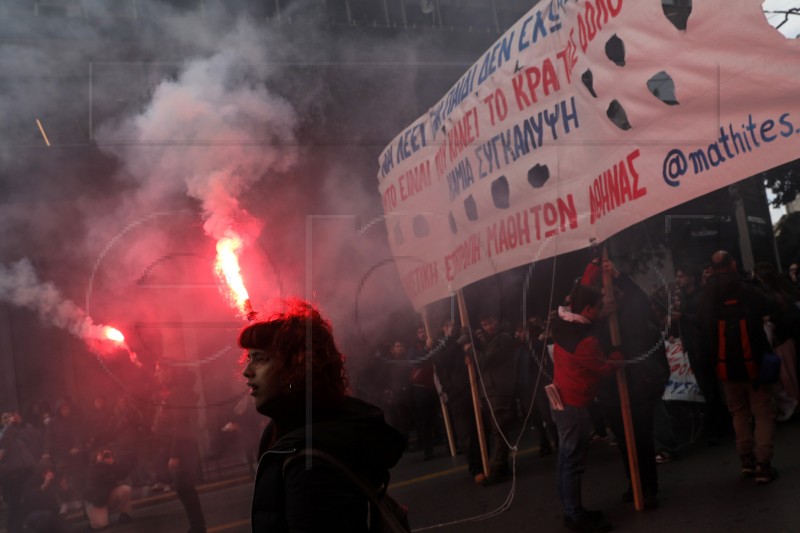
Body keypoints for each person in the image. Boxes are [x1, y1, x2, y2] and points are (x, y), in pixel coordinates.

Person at [239, 299, 405, 532]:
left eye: (260, 359)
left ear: (296, 368)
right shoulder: (283, 433)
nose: (247, 371)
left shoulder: (310, 464)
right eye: (249, 358)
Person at [698, 251, 780, 484]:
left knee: (739, 412)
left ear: (712, 269)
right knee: (762, 413)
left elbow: (702, 323)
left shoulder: (707, 295)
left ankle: (746, 459)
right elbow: (773, 304)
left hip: (725, 364)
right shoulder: (747, 290)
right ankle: (764, 463)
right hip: (754, 362)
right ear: (733, 264)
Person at [550, 283, 621, 533]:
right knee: (573, 462)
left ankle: (570, 509)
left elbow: (584, 301)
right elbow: (603, 368)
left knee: (565, 458)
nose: (602, 311)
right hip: (574, 403)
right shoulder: (585, 341)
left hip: (559, 398)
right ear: (588, 308)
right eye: (600, 307)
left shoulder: (562, 323)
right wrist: (616, 357)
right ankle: (574, 515)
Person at [673, 265, 729, 444]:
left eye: (682, 276)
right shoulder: (684, 297)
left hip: (703, 346)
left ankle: (720, 424)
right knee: (705, 386)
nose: (678, 279)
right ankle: (716, 423)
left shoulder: (700, 296)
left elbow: (703, 320)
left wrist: (682, 317)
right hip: (693, 345)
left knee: (710, 385)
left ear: (692, 278)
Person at [431, 320, 484, 483]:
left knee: (482, 426)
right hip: (456, 393)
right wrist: (456, 343)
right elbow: (441, 360)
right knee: (466, 432)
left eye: (453, 324)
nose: (451, 328)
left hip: (473, 387)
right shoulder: (438, 345)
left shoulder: (464, 337)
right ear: (442, 328)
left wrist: (472, 338)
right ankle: (475, 467)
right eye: (447, 325)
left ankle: (487, 461)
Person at [469, 312, 517, 486]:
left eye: (489, 323)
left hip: (499, 388)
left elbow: (486, 360)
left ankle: (499, 467)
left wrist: (471, 350)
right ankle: (499, 465)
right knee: (497, 428)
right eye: (484, 325)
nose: (487, 327)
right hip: (491, 389)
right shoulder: (492, 340)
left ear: (496, 321)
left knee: (499, 429)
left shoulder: (503, 338)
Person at [83, 448, 133, 530]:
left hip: (107, 497)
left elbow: (123, 474)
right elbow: (94, 480)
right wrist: (100, 464)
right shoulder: (91, 467)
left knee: (125, 489)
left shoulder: (110, 466)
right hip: (95, 501)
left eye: (108, 454)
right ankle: (92, 517)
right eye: (102, 455)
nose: (105, 456)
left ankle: (124, 515)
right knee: (101, 525)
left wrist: (112, 463)